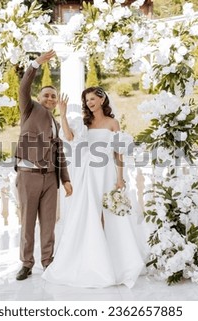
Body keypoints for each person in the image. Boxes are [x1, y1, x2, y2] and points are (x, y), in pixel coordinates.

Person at [42, 86, 146, 288]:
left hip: (106, 172)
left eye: (92, 99)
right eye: (86, 100)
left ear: (101, 99)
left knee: (109, 215)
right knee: (90, 214)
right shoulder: (84, 122)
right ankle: (92, 260)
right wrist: (62, 114)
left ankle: (113, 259)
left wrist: (120, 178)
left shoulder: (112, 123)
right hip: (88, 173)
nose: (89, 103)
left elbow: (118, 152)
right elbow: (69, 137)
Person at [15, 50, 73, 281]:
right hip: (28, 175)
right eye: (47, 95)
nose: (50, 99)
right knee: (28, 222)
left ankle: (48, 261)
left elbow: (59, 152)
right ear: (40, 97)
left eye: (53, 96)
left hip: (50, 178)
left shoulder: (56, 123)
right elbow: (23, 88)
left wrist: (65, 179)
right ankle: (26, 263)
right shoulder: (29, 109)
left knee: (49, 223)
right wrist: (36, 64)